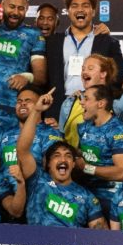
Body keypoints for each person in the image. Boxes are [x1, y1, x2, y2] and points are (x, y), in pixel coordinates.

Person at [17, 88, 106, 229]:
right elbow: (22, 150)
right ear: (47, 163)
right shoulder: (37, 181)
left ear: (73, 164)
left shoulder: (87, 197)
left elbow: (102, 238)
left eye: (68, 156)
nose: (63, 159)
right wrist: (36, 111)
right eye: (56, 156)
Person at [45, 0, 123, 120]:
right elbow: (46, 78)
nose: (80, 9)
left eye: (85, 6)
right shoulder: (53, 42)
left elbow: (117, 77)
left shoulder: (108, 42)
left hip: (95, 107)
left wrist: (100, 100)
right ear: (68, 11)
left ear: (93, 12)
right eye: (74, 6)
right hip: (59, 108)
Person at [75, 84, 123, 218]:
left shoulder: (118, 131)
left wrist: (87, 168)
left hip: (110, 198)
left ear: (100, 103)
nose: (81, 102)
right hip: (86, 193)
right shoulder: (84, 127)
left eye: (87, 99)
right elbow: (80, 155)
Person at [0, 84, 63, 173]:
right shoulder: (5, 133)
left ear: (40, 104)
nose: (22, 103)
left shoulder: (50, 133)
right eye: (19, 101)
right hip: (6, 186)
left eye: (28, 101)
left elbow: (53, 170)